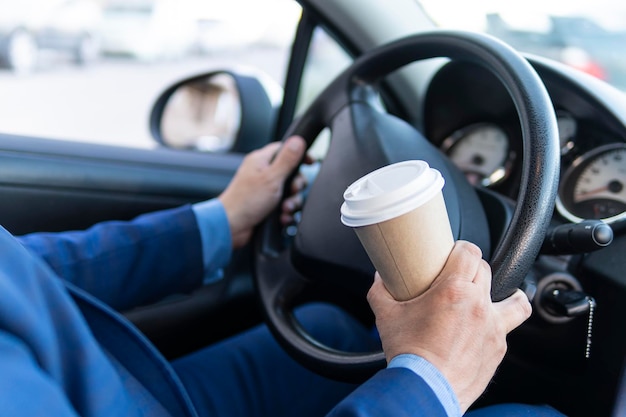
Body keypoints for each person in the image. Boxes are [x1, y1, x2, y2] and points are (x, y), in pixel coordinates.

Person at [0, 135, 566, 416]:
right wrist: (432, 381)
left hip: (111, 390)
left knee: (332, 330)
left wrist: (220, 222)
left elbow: (16, 268)